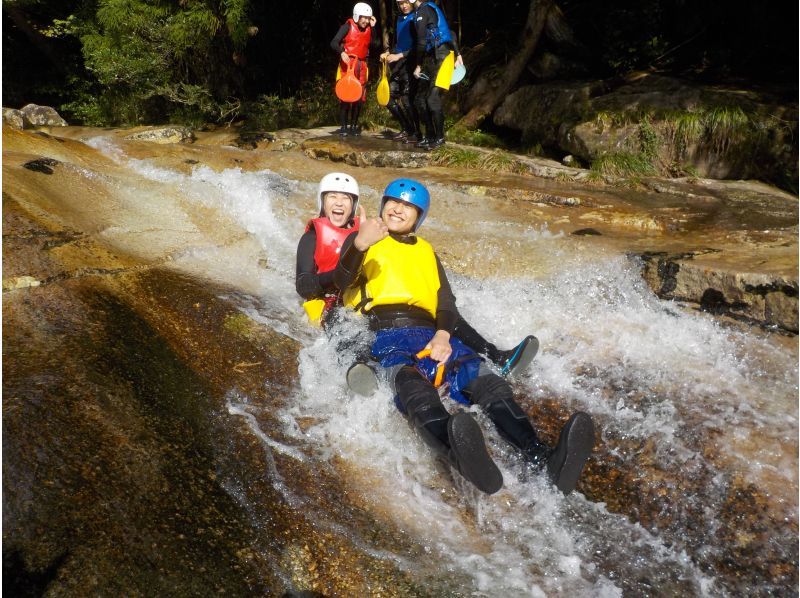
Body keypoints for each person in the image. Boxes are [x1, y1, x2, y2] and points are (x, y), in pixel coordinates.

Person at [334, 178, 595, 495]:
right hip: (387, 332)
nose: (398, 209)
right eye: (393, 202)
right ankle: (455, 452)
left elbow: (446, 304)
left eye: (407, 206)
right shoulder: (366, 238)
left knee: (486, 381)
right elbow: (338, 280)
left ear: (419, 216)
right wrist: (359, 244)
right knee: (412, 386)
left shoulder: (427, 252)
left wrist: (443, 335)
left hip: (434, 333)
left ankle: (543, 458)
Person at [296, 173, 539, 396]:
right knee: (340, 317)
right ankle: (360, 368)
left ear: (355, 204)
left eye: (346, 198)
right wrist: (348, 261)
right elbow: (308, 285)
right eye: (332, 197)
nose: (339, 203)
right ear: (322, 201)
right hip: (333, 296)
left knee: (442, 310)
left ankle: (495, 356)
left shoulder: (372, 230)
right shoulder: (317, 236)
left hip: (359, 289)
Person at [410, 0, 463, 149]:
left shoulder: (424, 10)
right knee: (420, 99)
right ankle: (430, 135)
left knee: (432, 98)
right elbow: (449, 32)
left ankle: (440, 138)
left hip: (442, 56)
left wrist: (418, 65)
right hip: (431, 57)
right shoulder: (422, 11)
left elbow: (421, 42)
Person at [330, 3, 377, 137]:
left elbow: (375, 44)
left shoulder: (369, 28)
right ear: (357, 16)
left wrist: (373, 28)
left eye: (368, 18)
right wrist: (341, 52)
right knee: (346, 96)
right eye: (364, 18)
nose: (366, 21)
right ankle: (344, 127)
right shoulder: (347, 26)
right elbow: (334, 42)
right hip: (348, 64)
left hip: (361, 65)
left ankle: (354, 126)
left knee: (360, 97)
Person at [379, 0, 421, 142]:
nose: (404, 6)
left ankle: (416, 133)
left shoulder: (417, 17)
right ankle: (406, 128)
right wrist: (388, 52)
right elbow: (399, 43)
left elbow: (419, 46)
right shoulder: (399, 19)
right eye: (401, 3)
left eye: (406, 3)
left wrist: (399, 55)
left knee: (407, 100)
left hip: (411, 64)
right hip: (398, 65)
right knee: (388, 97)